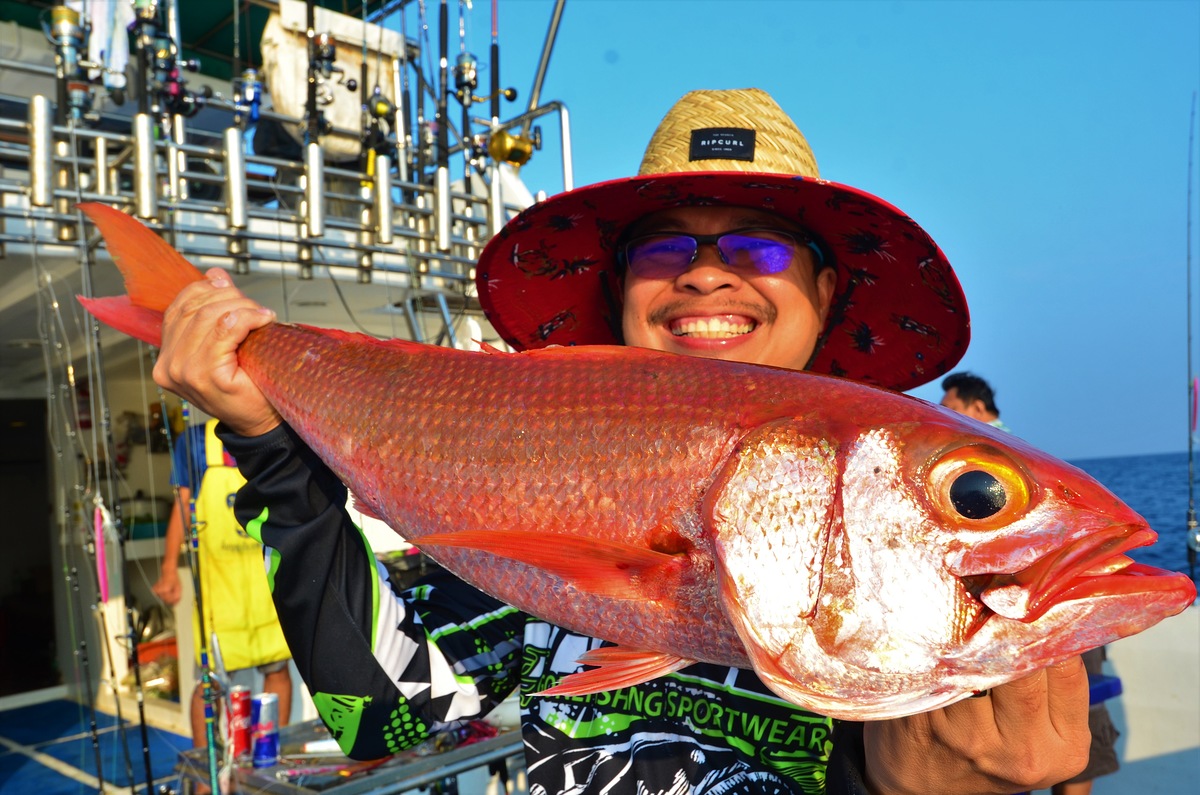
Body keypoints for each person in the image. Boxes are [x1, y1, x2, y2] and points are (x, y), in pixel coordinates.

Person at [152, 88, 1092, 794]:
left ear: (828, 295)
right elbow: (381, 711)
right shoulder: (546, 485)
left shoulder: (916, 545)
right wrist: (268, 440)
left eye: (760, 249)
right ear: (623, 292)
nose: (708, 278)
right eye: (664, 250)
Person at [940, 380, 1120, 795]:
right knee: (1028, 729)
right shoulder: (1005, 453)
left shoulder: (989, 456)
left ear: (979, 407)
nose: (940, 409)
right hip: (1010, 611)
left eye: (949, 404)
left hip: (1043, 608)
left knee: (1071, 716)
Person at [152, 418, 293, 755]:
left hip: (267, 580)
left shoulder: (275, 428)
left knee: (278, 668)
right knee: (209, 682)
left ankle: (273, 759)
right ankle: (205, 772)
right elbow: (182, 506)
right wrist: (169, 568)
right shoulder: (195, 441)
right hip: (220, 587)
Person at [940, 372, 1011, 432]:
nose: (941, 418)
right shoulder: (1010, 442)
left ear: (978, 409)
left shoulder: (992, 443)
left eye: (947, 411)